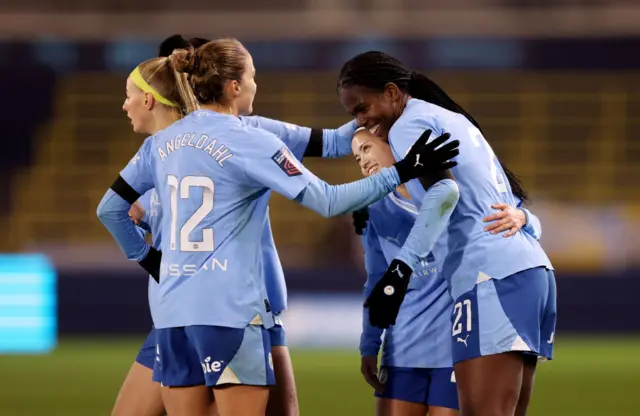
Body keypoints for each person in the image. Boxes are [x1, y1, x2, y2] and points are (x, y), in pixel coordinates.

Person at [97, 38, 460, 416]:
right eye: (253, 76)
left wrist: (150, 259)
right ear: (235, 86)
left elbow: (110, 209)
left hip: (171, 313)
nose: (257, 84)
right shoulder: (250, 137)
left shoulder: (159, 144)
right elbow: (329, 200)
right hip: (231, 310)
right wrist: (403, 169)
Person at [112, 34, 360, 416]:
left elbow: (332, 143)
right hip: (192, 306)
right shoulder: (165, 147)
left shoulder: (246, 130)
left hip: (238, 301)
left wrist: (380, 110)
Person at [338, 51, 556, 416]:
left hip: (489, 276)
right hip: (528, 272)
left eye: (363, 108)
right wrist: (524, 218)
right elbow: (505, 200)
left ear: (392, 92)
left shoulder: (409, 125)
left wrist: (403, 264)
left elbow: (445, 192)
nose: (363, 121)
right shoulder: (450, 118)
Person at [352, 128, 544, 416]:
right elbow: (376, 282)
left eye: (366, 148)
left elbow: (527, 228)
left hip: (454, 348)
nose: (363, 161)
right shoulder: (372, 211)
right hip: (401, 350)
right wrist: (369, 344)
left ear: (395, 143)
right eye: (356, 158)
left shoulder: (455, 191)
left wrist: (524, 216)